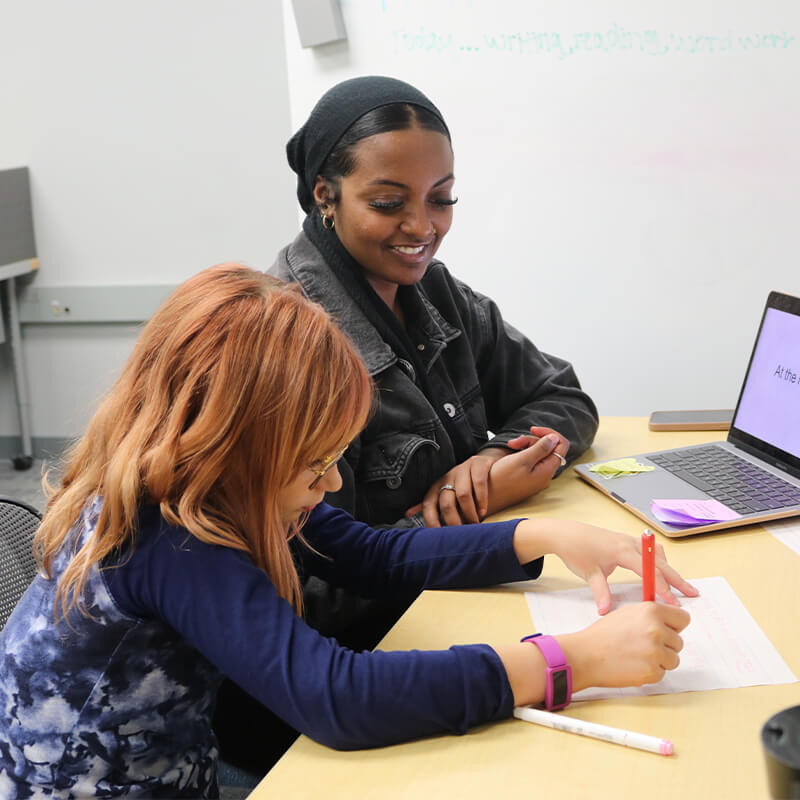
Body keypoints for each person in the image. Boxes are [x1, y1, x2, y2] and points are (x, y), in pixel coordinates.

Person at [0, 264, 695, 799]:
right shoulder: (175, 536)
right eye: (314, 466)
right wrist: (568, 661)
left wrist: (541, 539)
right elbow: (337, 698)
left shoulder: (212, 482)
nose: (331, 484)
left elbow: (372, 551)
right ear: (231, 450)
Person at [270, 75, 599, 534]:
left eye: (441, 199)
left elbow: (561, 395)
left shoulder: (435, 292)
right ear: (325, 194)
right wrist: (467, 507)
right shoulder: (286, 344)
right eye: (388, 203)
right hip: (402, 602)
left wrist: (492, 457)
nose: (423, 227)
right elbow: (318, 574)